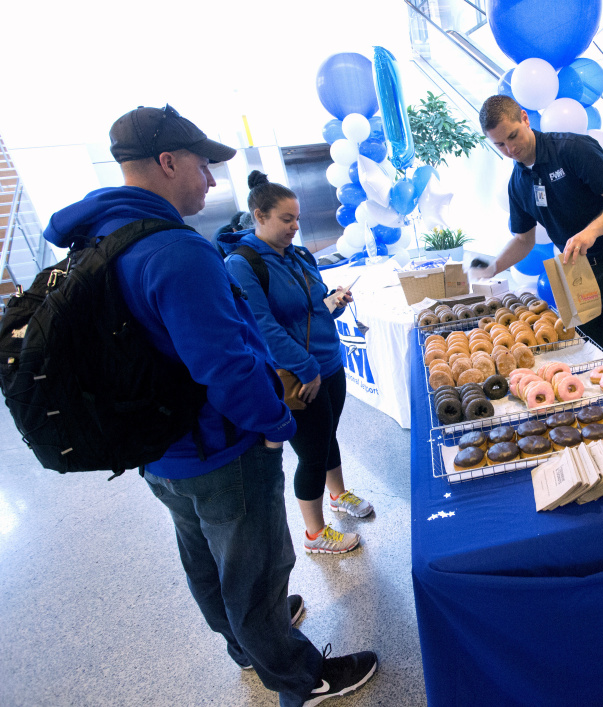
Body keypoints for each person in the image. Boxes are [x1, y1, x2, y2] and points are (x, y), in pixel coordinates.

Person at [42, 105, 376, 707]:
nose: (213, 182)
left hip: (157, 445)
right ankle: (302, 679)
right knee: (257, 572)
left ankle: (245, 645)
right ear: (168, 163)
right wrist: (275, 424)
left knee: (203, 556)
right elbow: (225, 365)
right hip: (218, 445)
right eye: (203, 166)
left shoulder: (98, 237)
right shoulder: (175, 251)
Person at [474, 95, 603, 410]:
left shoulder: (573, 149)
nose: (510, 149)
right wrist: (494, 266)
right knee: (587, 358)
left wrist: (591, 231)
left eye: (513, 136)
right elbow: (523, 240)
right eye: (500, 145)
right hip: (574, 273)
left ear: (525, 118)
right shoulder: (518, 184)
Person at [220, 170, 373, 555]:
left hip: (329, 365)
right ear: (259, 216)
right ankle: (315, 533)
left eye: (297, 218)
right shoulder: (243, 264)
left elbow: (311, 310)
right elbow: (263, 328)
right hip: (300, 375)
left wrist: (334, 303)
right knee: (311, 451)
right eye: (286, 219)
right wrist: (307, 369)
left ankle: (337, 495)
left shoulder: (299, 256)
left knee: (326, 435)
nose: (294, 226)